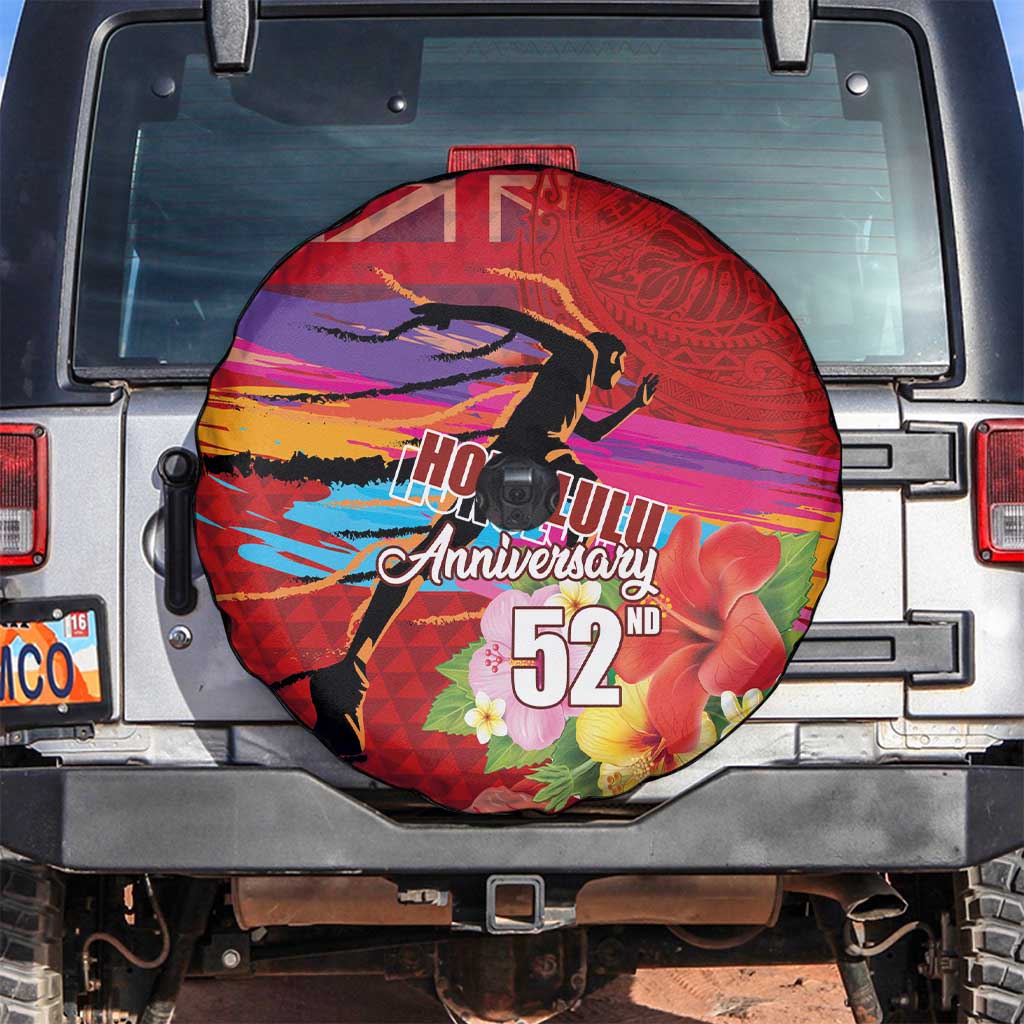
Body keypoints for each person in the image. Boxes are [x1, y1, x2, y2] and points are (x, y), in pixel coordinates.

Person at [307, 302, 659, 757]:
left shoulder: (575, 383)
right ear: (606, 353)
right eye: (621, 363)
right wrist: (449, 311)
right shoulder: (580, 353)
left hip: (513, 457)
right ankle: (570, 585)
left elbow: (589, 434)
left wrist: (634, 406)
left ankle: (349, 669)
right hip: (531, 452)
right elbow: (522, 321)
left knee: (430, 552)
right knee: (585, 492)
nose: (622, 373)